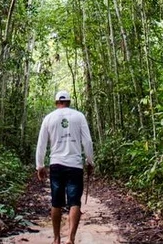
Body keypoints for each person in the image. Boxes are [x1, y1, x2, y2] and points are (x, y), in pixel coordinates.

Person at [35, 90, 95, 244]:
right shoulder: (79, 116)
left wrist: (40, 166)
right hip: (74, 165)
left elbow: (41, 144)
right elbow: (87, 142)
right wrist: (90, 161)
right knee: (74, 202)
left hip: (56, 164)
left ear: (56, 103)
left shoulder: (49, 118)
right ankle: (71, 239)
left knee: (56, 202)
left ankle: (56, 239)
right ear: (69, 102)